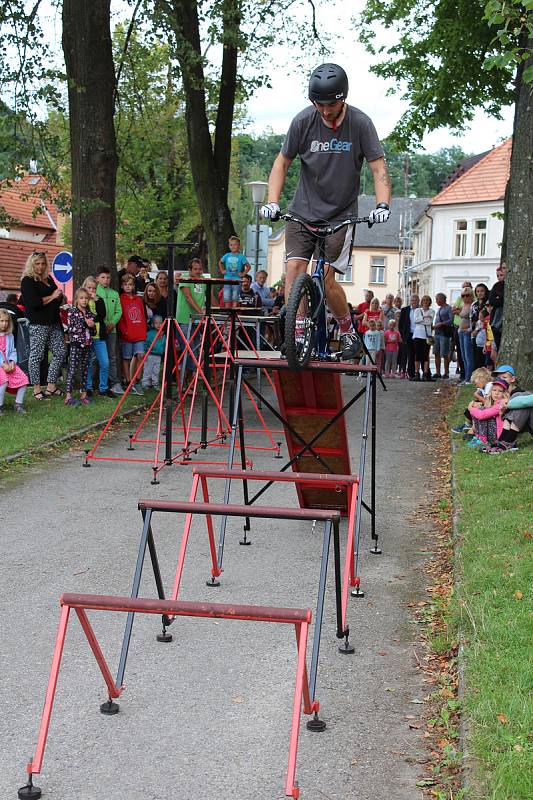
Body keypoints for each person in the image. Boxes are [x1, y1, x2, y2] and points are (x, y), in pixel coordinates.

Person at [261, 63, 391, 360]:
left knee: (328, 278)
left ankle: (346, 332)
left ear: (342, 98)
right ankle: (297, 334)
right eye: (319, 104)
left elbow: (378, 167)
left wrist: (383, 204)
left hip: (341, 215)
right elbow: (282, 163)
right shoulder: (303, 121)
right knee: (293, 270)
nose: (325, 110)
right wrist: (273, 200)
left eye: (330, 104)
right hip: (303, 210)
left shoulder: (360, 124)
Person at [20, 251, 66, 401]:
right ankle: (36, 388)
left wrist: (60, 297)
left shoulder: (49, 278)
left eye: (43, 263)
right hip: (38, 323)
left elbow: (56, 300)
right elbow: (33, 303)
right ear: (32, 264)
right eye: (37, 263)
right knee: (37, 356)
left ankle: (51, 385)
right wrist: (53, 296)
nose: (40, 266)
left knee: (60, 351)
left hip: (54, 322)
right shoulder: (27, 280)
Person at [95, 266, 123, 396]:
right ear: (97, 279)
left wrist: (112, 323)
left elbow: (119, 311)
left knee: (112, 356)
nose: (106, 280)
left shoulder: (114, 293)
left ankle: (115, 383)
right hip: (98, 329)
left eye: (107, 277)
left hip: (111, 330)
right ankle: (98, 383)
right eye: (103, 277)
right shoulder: (94, 292)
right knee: (97, 357)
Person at [117, 273, 147, 395]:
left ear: (134, 286)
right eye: (125, 284)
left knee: (140, 355)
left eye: (130, 284)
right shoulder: (120, 299)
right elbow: (120, 317)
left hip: (139, 332)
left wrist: (143, 329)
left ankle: (137, 380)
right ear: (122, 286)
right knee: (127, 358)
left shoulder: (138, 299)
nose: (128, 287)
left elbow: (142, 315)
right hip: (127, 333)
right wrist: (124, 331)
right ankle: (128, 381)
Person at [82, 276, 112, 398]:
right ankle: (88, 388)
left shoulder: (98, 300)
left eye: (94, 288)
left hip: (99, 337)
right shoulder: (82, 300)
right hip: (87, 337)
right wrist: (91, 321)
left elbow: (102, 314)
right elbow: (82, 315)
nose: (91, 290)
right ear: (84, 288)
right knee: (88, 363)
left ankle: (103, 388)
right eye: (89, 288)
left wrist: (97, 300)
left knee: (105, 363)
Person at [65, 288, 95, 406]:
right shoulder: (72, 311)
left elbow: (93, 331)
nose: (84, 300)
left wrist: (92, 327)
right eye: (81, 298)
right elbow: (70, 328)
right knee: (72, 370)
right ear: (77, 299)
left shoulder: (89, 312)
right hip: (76, 345)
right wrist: (85, 324)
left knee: (84, 369)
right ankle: (68, 396)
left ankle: (83, 395)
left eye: (86, 298)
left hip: (87, 344)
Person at [0, 308, 29, 414]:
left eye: (6, 321)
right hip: (1, 365)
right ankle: (0, 406)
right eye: (2, 321)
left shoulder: (9, 336)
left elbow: (12, 350)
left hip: (9, 364)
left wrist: (12, 361)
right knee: (3, 381)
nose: (4, 324)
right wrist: (2, 364)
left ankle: (18, 404)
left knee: (24, 379)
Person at [467, 379, 509, 449]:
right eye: (494, 390)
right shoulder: (494, 403)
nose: (496, 393)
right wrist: (476, 407)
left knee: (482, 413)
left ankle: (482, 441)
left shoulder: (502, 404)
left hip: (499, 436)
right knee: (481, 410)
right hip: (493, 433)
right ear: (491, 391)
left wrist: (470, 408)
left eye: (500, 391)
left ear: (504, 394)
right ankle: (478, 438)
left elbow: (482, 415)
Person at [219, 236, 251, 309]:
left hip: (237, 279)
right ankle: (227, 309)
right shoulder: (227, 255)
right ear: (229, 246)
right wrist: (222, 270)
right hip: (227, 278)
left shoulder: (241, 257)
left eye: (235, 244)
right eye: (231, 245)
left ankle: (234, 308)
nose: (233, 246)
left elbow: (248, 266)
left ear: (239, 246)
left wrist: (243, 274)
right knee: (226, 293)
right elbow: (220, 262)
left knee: (235, 294)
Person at [412, 295, 435, 381]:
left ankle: (425, 373)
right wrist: (424, 317)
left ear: (429, 302)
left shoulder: (432, 311)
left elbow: (429, 322)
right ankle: (417, 373)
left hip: (427, 336)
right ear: (421, 302)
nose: (425, 302)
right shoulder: (417, 310)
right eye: (424, 300)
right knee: (417, 355)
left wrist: (421, 319)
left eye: (427, 300)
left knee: (425, 356)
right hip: (418, 335)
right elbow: (415, 320)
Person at [398, 294, 419, 380]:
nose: (413, 302)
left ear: (418, 301)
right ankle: (409, 373)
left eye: (415, 300)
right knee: (409, 354)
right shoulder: (405, 310)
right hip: (408, 334)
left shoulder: (421, 310)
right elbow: (401, 324)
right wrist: (403, 336)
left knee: (416, 354)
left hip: (418, 334)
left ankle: (416, 372)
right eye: (412, 300)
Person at [469, 283, 490, 369]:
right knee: (476, 357)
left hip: (485, 331)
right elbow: (471, 318)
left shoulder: (488, 303)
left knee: (485, 358)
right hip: (475, 333)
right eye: (478, 291)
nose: (480, 293)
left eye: (482, 291)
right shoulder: (474, 304)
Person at [433, 292, 453, 378]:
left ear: (442, 299)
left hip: (444, 334)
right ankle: (438, 372)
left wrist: (441, 324)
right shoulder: (439, 309)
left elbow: (451, 320)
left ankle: (446, 372)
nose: (436, 301)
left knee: (445, 354)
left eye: (437, 299)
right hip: (437, 333)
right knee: (436, 353)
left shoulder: (448, 308)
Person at [142, 315, 166, 390]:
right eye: (156, 323)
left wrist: (164, 351)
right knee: (148, 369)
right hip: (150, 355)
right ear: (152, 324)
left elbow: (164, 344)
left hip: (158, 356)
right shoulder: (150, 334)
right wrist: (145, 351)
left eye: (160, 323)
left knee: (156, 370)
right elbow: (146, 343)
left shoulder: (163, 334)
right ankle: (146, 383)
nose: (159, 325)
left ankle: (155, 383)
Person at [457, 286, 475, 384]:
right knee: (463, 357)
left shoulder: (472, 305)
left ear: (471, 295)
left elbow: (474, 319)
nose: (465, 297)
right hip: (461, 332)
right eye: (463, 295)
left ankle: (469, 379)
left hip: (467, 332)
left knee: (468, 357)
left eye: (467, 295)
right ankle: (466, 377)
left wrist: (470, 329)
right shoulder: (464, 305)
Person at [488, 261, 506, 353]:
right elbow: (491, 300)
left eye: (501, 275)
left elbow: (504, 300)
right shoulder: (497, 286)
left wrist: (499, 298)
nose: (499, 277)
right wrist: (499, 299)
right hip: (496, 320)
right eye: (497, 275)